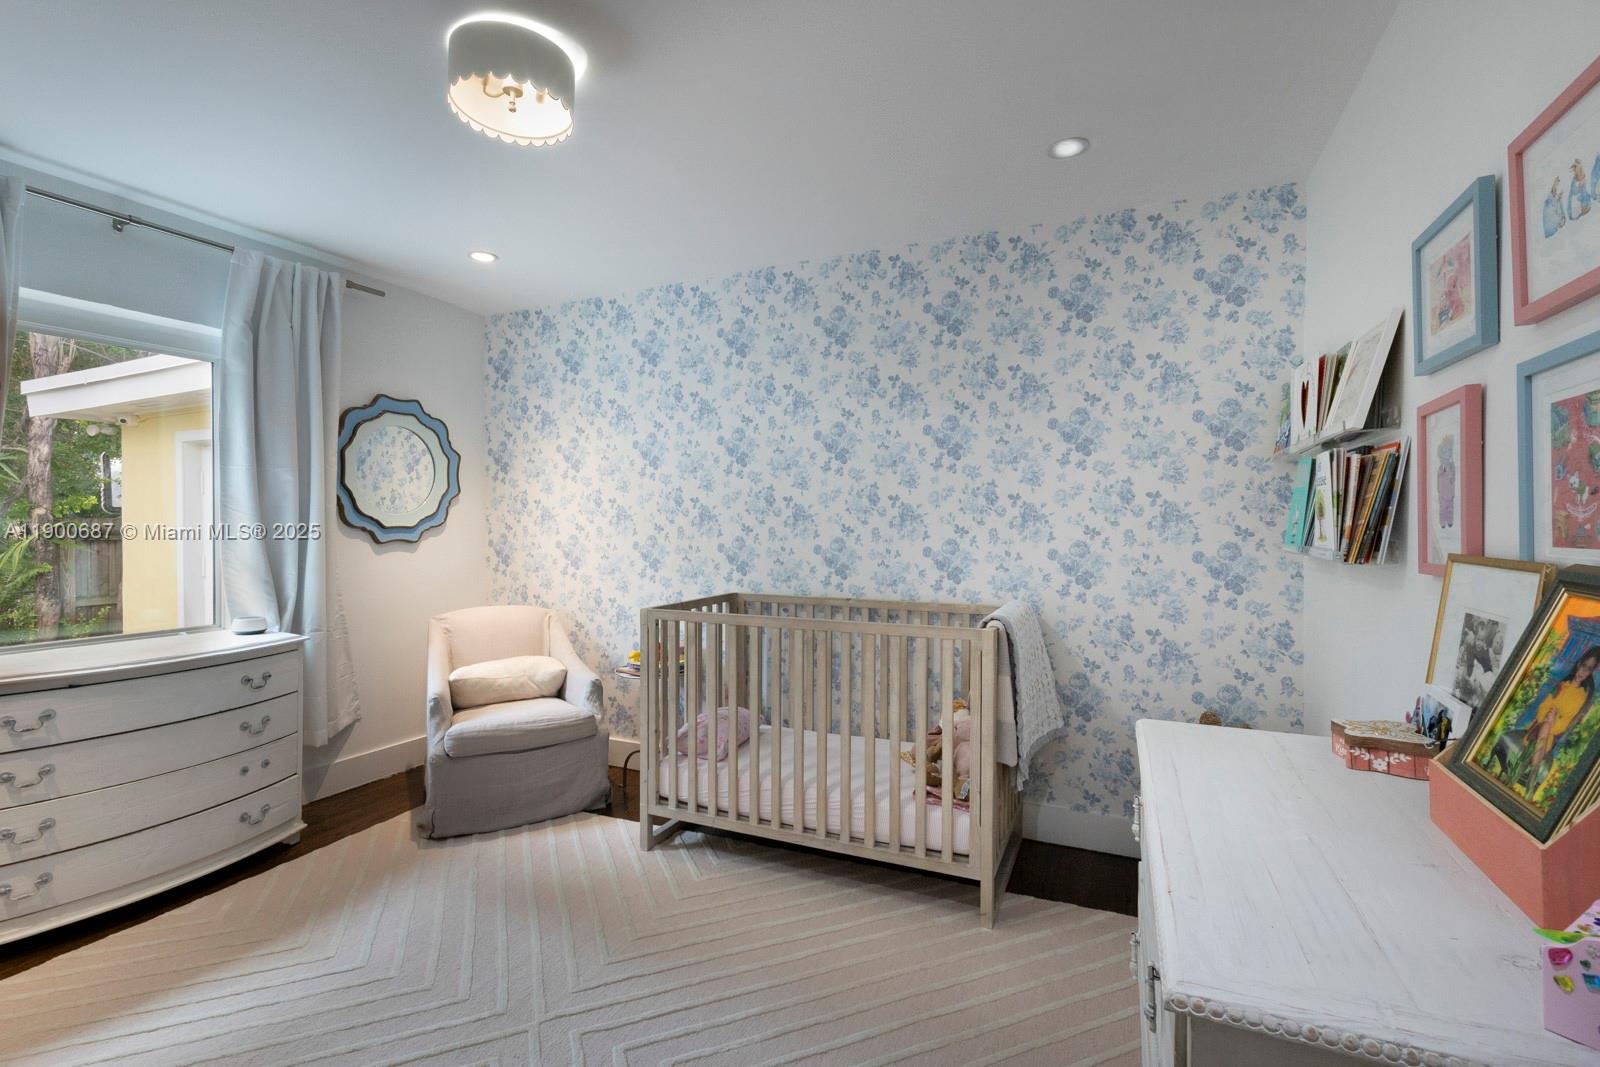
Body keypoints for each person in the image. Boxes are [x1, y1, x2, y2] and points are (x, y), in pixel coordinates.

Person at [1518, 646, 1600, 795]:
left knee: (1549, 725)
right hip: (1538, 726)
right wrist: (1548, 715)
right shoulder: (1562, 685)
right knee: (1547, 720)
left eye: (1588, 669)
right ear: (1578, 664)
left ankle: (1531, 773)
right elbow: (1544, 705)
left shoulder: (1581, 696)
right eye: (1583, 666)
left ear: (1590, 673)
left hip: (1552, 734)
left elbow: (1568, 721)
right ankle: (1532, 777)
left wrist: (1554, 721)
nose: (1583, 672)